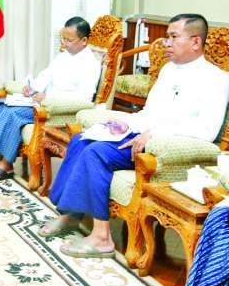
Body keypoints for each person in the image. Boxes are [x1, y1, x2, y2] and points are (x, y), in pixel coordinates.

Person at [41, 13, 229, 259]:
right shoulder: (168, 71)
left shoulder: (217, 79)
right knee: (81, 139)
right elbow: (149, 113)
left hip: (164, 147)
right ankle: (70, 214)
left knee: (95, 153)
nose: (166, 43)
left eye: (173, 37)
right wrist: (125, 124)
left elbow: (207, 130)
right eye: (167, 37)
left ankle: (102, 238)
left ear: (195, 41)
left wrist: (153, 133)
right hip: (141, 135)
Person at [0, 16, 102, 182]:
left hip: (57, 109)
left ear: (84, 40)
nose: (64, 44)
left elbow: (84, 98)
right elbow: (46, 75)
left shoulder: (90, 64)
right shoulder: (64, 55)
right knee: (2, 105)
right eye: (63, 38)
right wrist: (32, 87)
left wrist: (48, 98)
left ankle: (6, 165)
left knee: (14, 114)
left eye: (69, 40)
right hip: (40, 102)